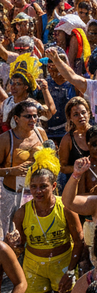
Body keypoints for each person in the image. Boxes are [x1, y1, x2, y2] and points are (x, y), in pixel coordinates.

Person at [9, 147, 83, 293]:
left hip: (63, 264)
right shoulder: (22, 213)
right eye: (34, 187)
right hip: (33, 267)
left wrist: (70, 272)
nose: (38, 191)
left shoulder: (66, 207)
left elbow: (79, 240)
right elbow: (19, 246)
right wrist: (13, 244)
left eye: (43, 186)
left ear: (53, 186)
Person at [0, 100, 48, 238]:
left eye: (35, 116)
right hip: (13, 195)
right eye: (28, 116)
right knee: (13, 236)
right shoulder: (5, 139)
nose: (33, 119)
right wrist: (12, 171)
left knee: (37, 233)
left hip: (38, 193)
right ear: (16, 118)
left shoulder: (40, 133)